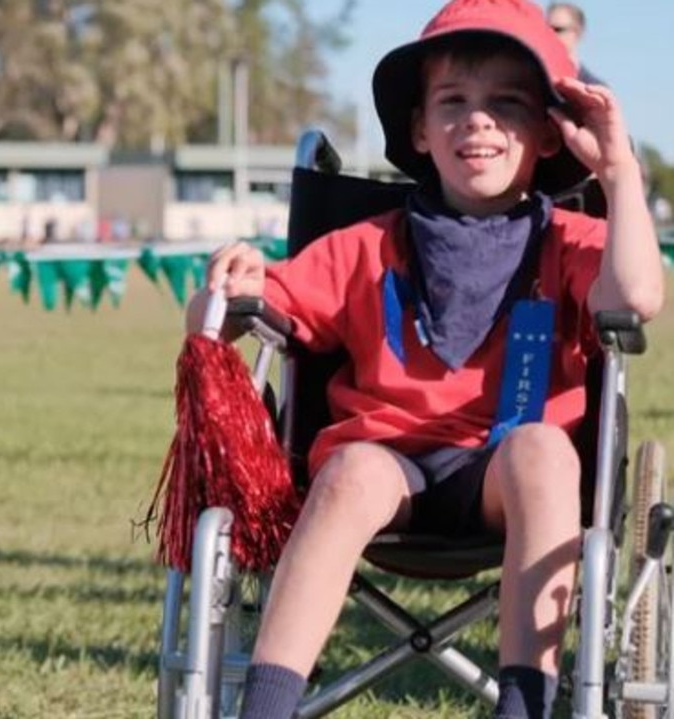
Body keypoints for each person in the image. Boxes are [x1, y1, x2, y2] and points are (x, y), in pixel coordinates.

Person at [184, 0, 663, 717]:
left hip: (508, 476)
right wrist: (223, 291)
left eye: (506, 104)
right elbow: (227, 322)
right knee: (346, 469)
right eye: (453, 102)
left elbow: (637, 298)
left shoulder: (569, 241)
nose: (477, 120)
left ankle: (523, 704)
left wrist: (619, 174)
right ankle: (266, 705)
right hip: (386, 469)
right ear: (417, 127)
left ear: (545, 132)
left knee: (542, 450)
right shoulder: (365, 245)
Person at [546, 2, 606, 85]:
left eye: (558, 30)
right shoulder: (535, 81)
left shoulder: (593, 89)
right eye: (546, 29)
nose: (550, 35)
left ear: (578, 32)